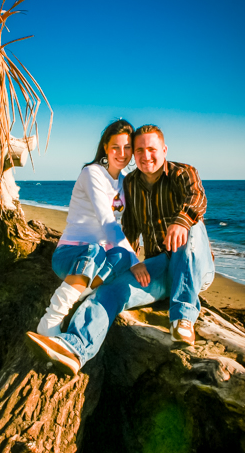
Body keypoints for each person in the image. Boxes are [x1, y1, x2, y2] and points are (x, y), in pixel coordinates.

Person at [27, 124, 214, 375]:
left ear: (164, 149)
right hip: (161, 266)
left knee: (191, 229)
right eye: (139, 150)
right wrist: (131, 262)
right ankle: (75, 347)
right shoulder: (131, 183)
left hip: (195, 265)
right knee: (111, 292)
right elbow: (129, 230)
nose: (145, 156)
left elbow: (197, 199)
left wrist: (181, 221)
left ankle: (183, 317)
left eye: (151, 149)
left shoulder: (183, 173)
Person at [30, 119, 138, 353]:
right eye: (115, 147)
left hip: (98, 259)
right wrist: (137, 262)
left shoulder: (124, 182)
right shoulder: (92, 173)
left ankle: (82, 292)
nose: (121, 153)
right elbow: (107, 222)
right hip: (70, 255)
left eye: (127, 147)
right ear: (105, 148)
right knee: (97, 250)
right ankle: (50, 321)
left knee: (122, 257)